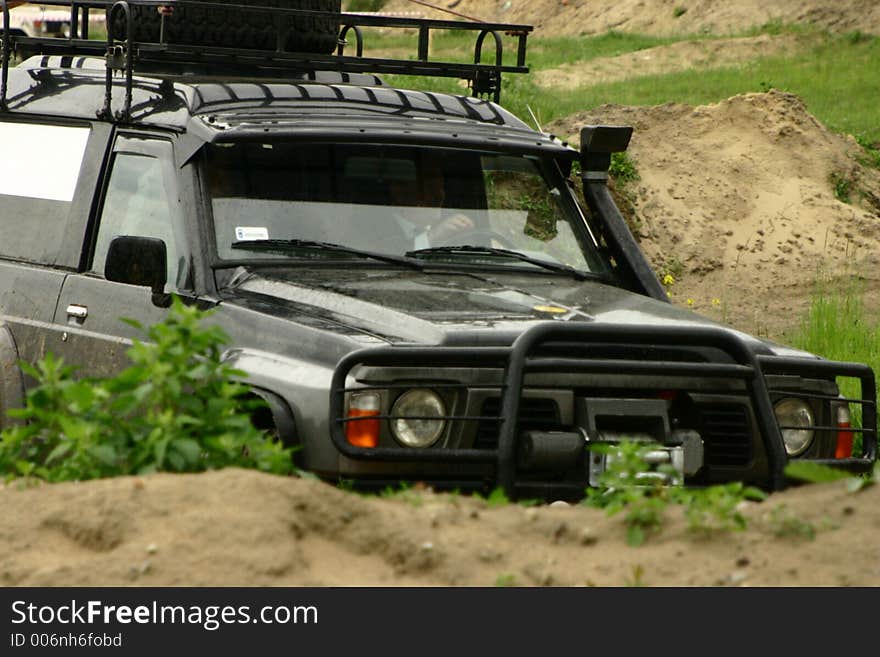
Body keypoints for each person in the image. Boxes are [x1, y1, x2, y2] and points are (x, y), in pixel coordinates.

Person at [387, 156, 475, 250]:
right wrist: (432, 237)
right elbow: (383, 255)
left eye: (441, 187)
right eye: (430, 187)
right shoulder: (376, 225)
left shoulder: (450, 227)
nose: (440, 195)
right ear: (399, 192)